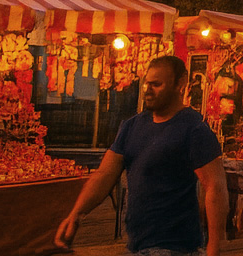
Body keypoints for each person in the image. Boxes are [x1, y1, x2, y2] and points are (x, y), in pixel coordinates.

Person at [56, 55, 226, 256]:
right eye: (147, 84)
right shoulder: (132, 126)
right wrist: (76, 214)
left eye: (157, 84)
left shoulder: (193, 128)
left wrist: (214, 247)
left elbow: (215, 188)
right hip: (137, 245)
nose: (148, 90)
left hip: (174, 246)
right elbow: (104, 175)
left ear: (180, 84)